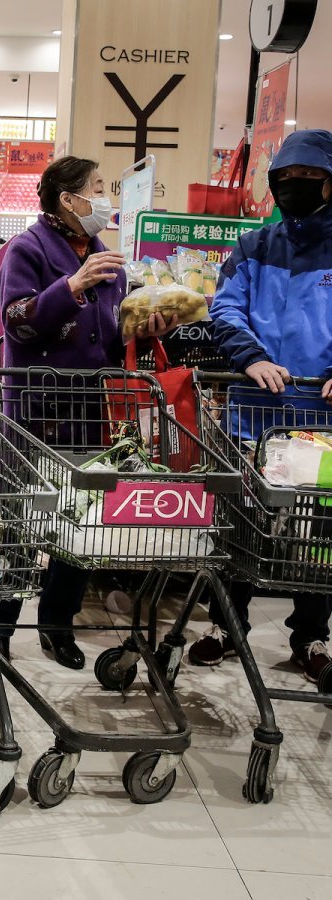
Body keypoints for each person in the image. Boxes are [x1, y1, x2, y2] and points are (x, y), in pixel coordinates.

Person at [0, 155, 173, 669]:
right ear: (67, 199)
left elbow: (109, 337)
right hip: (38, 410)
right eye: (97, 188)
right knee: (21, 522)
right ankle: (0, 629)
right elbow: (17, 323)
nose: (105, 199)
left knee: (81, 525)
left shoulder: (103, 255)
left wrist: (145, 328)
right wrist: (70, 287)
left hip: (94, 412)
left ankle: (57, 625)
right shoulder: (27, 249)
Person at [188, 129, 332, 684]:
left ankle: (312, 635)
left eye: (308, 179)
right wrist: (250, 359)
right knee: (240, 522)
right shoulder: (253, 246)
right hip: (255, 412)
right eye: (285, 180)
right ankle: (226, 624)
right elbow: (224, 310)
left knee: (319, 533)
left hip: (320, 421)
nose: (295, 188)